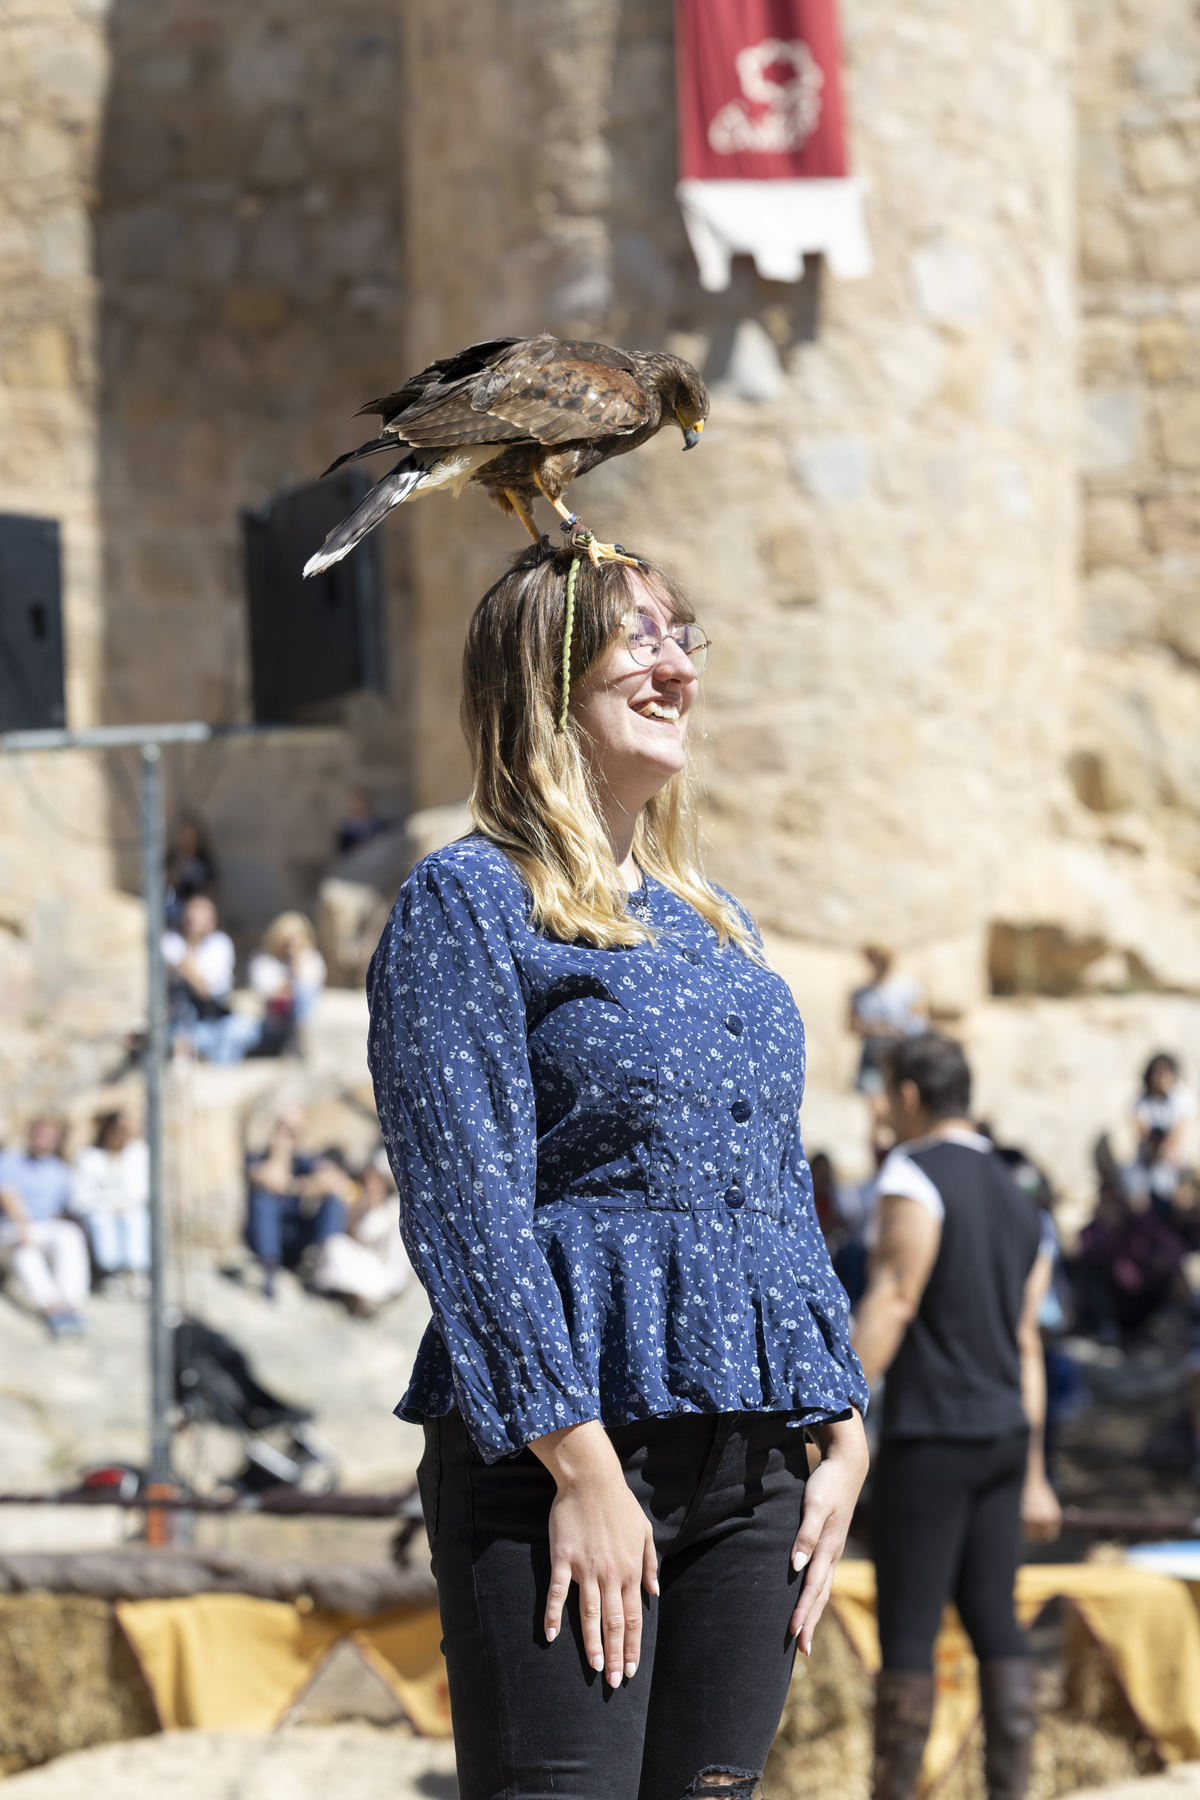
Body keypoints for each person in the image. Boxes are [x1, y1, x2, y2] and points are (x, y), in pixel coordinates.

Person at [368, 539, 869, 1800]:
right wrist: (582, 1471)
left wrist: (845, 1415)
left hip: (754, 1456)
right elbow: (465, 1215)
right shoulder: (467, 902)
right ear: (547, 680)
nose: (674, 665)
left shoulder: (722, 922)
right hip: (563, 1457)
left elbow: (772, 1184)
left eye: (680, 637)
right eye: (637, 637)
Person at [851, 1033, 1061, 1800]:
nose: (880, 1105)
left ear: (910, 1095)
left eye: (884, 1091)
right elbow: (1026, 1340)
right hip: (1005, 1434)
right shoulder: (1018, 1192)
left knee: (908, 1633)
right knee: (994, 1621)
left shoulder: (912, 1172)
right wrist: (1036, 1470)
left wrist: (830, 1408)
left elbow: (895, 1298)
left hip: (934, 1433)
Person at [244, 1112, 351, 1298]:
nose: (289, 1135)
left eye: (294, 1130)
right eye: (284, 1128)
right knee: (263, 1197)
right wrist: (280, 1153)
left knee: (333, 1202)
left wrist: (295, 1185)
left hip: (295, 1236)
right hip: (263, 1238)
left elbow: (334, 1180)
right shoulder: (256, 1157)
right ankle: (269, 1269)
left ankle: (321, 1264)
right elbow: (268, 1178)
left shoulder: (304, 1161)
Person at [0, 1119, 90, 1336]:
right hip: (13, 1225)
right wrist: (22, 1225)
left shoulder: (60, 1169)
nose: (43, 1139)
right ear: (30, 1133)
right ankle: (50, 1306)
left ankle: (71, 1302)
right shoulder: (10, 1161)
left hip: (46, 1224)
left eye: (49, 1135)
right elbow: (8, 1195)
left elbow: (70, 1205)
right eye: (40, 1133)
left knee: (70, 1235)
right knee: (25, 1249)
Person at [163, 895, 261, 1064]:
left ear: (213, 920)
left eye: (202, 916)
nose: (195, 921)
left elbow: (206, 990)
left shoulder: (219, 944)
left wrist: (183, 962)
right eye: (192, 915)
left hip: (214, 1020)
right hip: (181, 1022)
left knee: (238, 1031)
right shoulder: (171, 941)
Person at [313, 1154, 411, 1315]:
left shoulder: (394, 1207)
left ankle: (372, 1297)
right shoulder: (358, 1202)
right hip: (365, 1260)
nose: (371, 1184)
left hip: (387, 1267)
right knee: (334, 1244)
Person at [73, 1111, 150, 1286]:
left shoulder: (138, 1153)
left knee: (136, 1220)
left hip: (131, 1206)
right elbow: (81, 1194)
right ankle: (110, 1271)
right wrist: (108, 1204)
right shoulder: (88, 1157)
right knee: (102, 1222)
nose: (118, 1135)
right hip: (99, 1208)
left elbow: (142, 1189)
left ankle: (136, 1270)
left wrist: (125, 1204)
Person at [848, 946, 926, 1095]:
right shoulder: (860, 993)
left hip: (901, 1051)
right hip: (874, 1053)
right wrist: (872, 1028)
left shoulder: (907, 988)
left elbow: (920, 1022)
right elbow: (851, 1025)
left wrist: (899, 1028)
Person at [247, 912, 327, 1054]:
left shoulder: (311, 958)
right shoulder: (263, 959)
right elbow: (268, 993)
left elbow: (310, 987)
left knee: (305, 992)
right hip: (273, 1022)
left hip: (302, 1021)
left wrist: (296, 959)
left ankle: (299, 1039)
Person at [164, 812, 217, 928]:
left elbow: (209, 885)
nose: (187, 839)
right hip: (173, 904)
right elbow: (164, 879)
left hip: (195, 904)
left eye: (191, 835)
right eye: (184, 834)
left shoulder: (203, 860)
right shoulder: (172, 857)